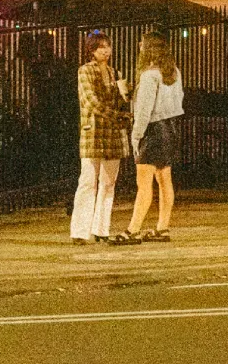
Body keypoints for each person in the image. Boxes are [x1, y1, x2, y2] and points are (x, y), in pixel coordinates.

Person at [71, 32, 131, 244]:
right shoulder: (85, 71)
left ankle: (101, 228)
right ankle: (80, 231)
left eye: (107, 46)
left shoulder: (115, 73)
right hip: (94, 132)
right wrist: (117, 115)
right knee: (88, 182)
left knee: (108, 183)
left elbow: (123, 101)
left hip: (113, 133)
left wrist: (126, 94)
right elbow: (91, 101)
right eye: (100, 47)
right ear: (92, 50)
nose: (105, 50)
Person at [125, 32, 184, 242]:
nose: (139, 46)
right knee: (165, 179)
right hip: (171, 127)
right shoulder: (174, 72)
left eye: (142, 43)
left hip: (153, 130)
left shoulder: (149, 75)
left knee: (144, 183)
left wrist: (136, 135)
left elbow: (144, 110)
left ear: (148, 48)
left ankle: (133, 230)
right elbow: (180, 99)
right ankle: (162, 228)